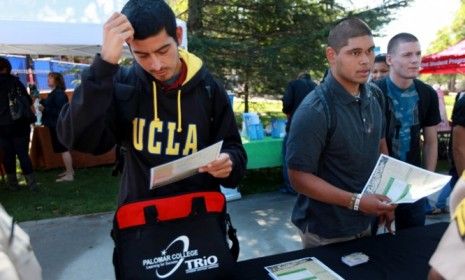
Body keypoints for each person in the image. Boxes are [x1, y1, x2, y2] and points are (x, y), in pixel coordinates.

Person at [57, 0, 246, 218]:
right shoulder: (122, 84)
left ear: (178, 35)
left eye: (163, 50)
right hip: (141, 222)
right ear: (129, 48)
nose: (156, 65)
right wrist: (105, 64)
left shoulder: (208, 88)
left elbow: (234, 149)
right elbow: (76, 137)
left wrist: (228, 162)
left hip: (199, 217)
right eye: (142, 55)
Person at [286, 18, 395, 248]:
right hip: (325, 231)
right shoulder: (314, 110)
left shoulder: (375, 96)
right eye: (354, 52)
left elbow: (380, 146)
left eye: (370, 50)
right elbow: (298, 177)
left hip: (366, 220)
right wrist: (357, 202)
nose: (366, 60)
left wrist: (384, 198)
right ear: (331, 55)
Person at [374, 33, 441, 231]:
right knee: (370, 247)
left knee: (413, 241)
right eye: (407, 54)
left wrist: (427, 179)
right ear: (390, 59)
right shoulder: (372, 92)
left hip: (413, 184)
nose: (415, 60)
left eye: (418, 53)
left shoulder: (427, 93)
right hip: (376, 183)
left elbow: (431, 141)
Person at [0, 57, 38, 191]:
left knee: (7, 154)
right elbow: (28, 101)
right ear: (7, 67)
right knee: (22, 153)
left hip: (2, 126)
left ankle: (12, 184)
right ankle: (31, 184)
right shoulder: (15, 82)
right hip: (19, 123)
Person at [281, 72, 317, 194]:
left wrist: (287, 112)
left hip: (295, 125)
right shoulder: (315, 86)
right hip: (314, 126)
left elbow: (287, 103)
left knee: (289, 157)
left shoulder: (293, 84)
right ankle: (307, 187)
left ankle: (291, 187)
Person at [40, 72, 74, 182]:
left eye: (51, 78)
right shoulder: (55, 93)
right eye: (48, 77)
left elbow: (60, 111)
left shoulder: (58, 93)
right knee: (62, 148)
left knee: (63, 149)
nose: (48, 80)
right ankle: (69, 171)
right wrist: (42, 101)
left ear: (57, 80)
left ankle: (69, 174)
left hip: (58, 125)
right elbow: (52, 104)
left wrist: (45, 109)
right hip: (55, 124)